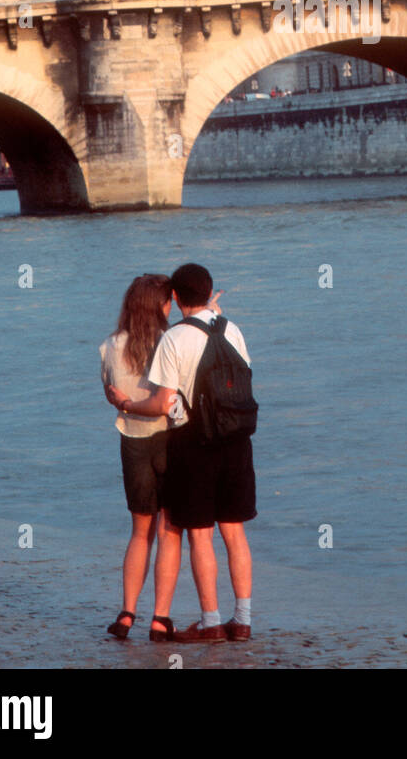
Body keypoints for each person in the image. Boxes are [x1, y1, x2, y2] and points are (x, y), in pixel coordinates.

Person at [115, 264, 256, 644]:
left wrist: (127, 405)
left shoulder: (174, 337)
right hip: (238, 441)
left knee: (200, 535)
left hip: (196, 445)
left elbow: (164, 402)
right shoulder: (234, 329)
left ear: (175, 297)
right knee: (235, 533)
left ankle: (210, 623)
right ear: (210, 292)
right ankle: (242, 620)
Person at [99, 274, 176, 640]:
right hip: (168, 439)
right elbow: (173, 398)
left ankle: (127, 613)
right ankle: (160, 619)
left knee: (139, 531)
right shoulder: (169, 341)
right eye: (167, 300)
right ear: (159, 306)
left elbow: (109, 392)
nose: (171, 306)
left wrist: (126, 403)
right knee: (168, 530)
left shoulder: (111, 345)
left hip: (131, 440)